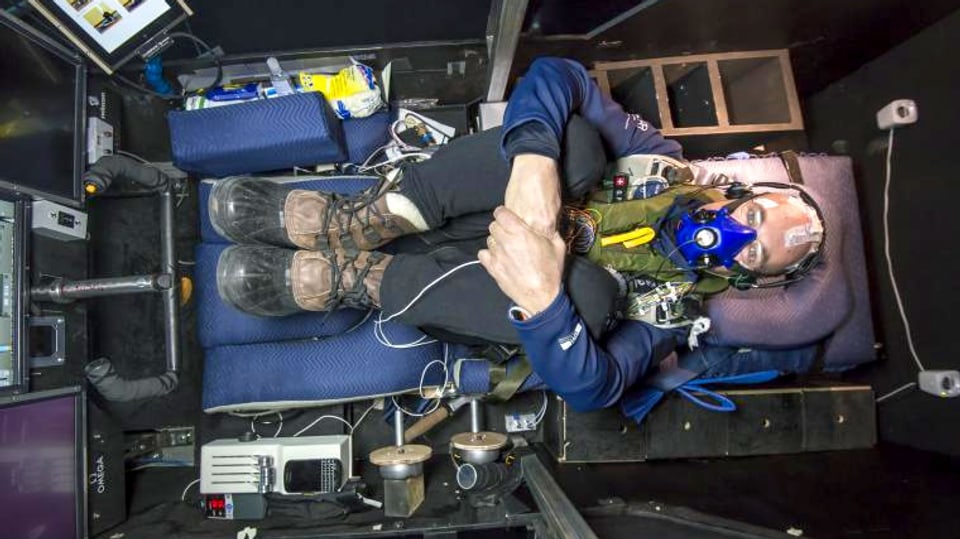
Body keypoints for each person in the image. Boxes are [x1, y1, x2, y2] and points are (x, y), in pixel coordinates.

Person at [210, 57, 825, 413]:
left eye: (753, 250)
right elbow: (561, 76)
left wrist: (544, 304)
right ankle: (356, 222)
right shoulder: (656, 159)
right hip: (456, 206)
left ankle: (357, 277)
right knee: (579, 147)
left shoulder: (672, 312)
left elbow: (595, 390)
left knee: (591, 302)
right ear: (736, 193)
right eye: (749, 217)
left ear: (749, 278)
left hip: (465, 288)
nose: (729, 236)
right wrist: (534, 162)